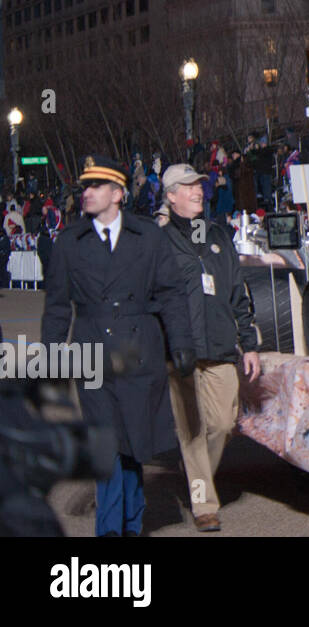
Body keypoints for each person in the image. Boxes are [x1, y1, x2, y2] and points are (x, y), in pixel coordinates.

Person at [40, 155, 193, 537]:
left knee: (132, 444)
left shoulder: (149, 237)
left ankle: (130, 521)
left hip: (139, 351)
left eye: (95, 186)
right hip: (92, 353)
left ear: (118, 194)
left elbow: (171, 294)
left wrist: (183, 343)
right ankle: (111, 531)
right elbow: (58, 307)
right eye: (84, 187)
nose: (86, 193)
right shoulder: (69, 243)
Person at [157, 164, 261, 533]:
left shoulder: (217, 235)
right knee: (191, 431)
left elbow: (237, 293)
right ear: (170, 195)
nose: (198, 191)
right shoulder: (159, 240)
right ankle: (203, 503)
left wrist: (249, 344)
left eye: (199, 185)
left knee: (221, 424)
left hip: (219, 346)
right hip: (179, 351)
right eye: (188, 186)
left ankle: (195, 474)